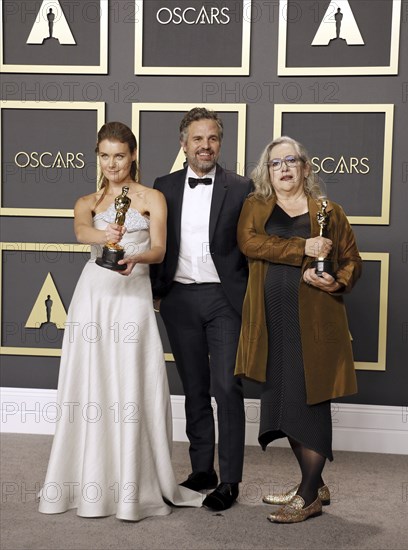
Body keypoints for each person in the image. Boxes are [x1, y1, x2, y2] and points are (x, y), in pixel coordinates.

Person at [38, 122, 202, 521]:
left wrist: (134, 256)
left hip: (132, 295)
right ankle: (86, 481)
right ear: (98, 156)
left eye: (120, 155)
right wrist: (102, 237)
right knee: (90, 382)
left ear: (133, 157)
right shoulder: (87, 202)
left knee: (132, 381)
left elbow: (160, 249)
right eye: (105, 155)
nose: (113, 164)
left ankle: (133, 487)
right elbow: (80, 231)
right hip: (93, 297)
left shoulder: (152, 198)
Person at [235, 136, 361, 523]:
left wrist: (336, 282)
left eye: (292, 161)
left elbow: (351, 260)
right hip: (271, 321)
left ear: (305, 168)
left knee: (311, 397)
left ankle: (308, 495)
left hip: (317, 322)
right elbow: (249, 243)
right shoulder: (255, 206)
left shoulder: (328, 210)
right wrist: (301, 248)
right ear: (267, 171)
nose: (284, 168)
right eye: (276, 163)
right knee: (283, 396)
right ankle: (315, 482)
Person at [150, 108, 252, 511]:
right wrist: (157, 292)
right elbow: (158, 244)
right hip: (179, 299)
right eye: (197, 138)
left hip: (224, 299)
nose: (205, 146)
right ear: (183, 143)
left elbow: (252, 245)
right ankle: (201, 470)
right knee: (193, 387)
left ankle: (229, 479)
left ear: (220, 143)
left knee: (226, 387)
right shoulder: (164, 186)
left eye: (212, 138)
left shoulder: (242, 187)